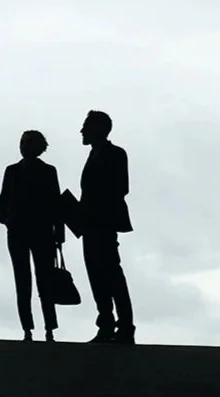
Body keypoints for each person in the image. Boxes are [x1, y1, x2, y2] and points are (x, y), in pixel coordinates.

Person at [0, 130, 64, 342]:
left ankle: (40, 329)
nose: (22, 146)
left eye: (26, 143)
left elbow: (56, 204)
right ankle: (38, 329)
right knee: (29, 281)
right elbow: (56, 204)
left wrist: (6, 218)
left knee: (36, 281)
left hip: (32, 231)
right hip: (29, 231)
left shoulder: (21, 171)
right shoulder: (34, 171)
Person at [78, 110, 135, 344]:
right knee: (97, 275)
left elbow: (121, 188)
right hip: (90, 223)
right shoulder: (94, 155)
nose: (81, 131)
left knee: (111, 274)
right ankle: (106, 325)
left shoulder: (116, 154)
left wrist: (93, 206)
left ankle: (124, 327)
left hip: (103, 222)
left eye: (86, 126)